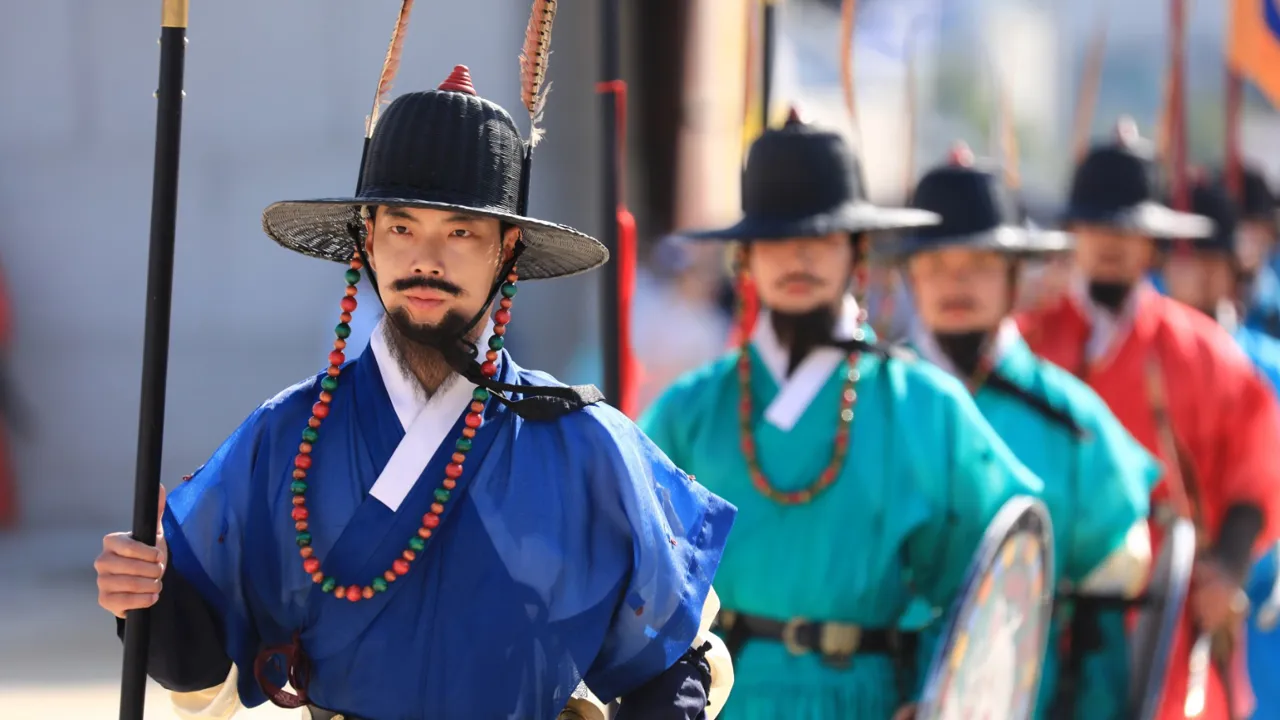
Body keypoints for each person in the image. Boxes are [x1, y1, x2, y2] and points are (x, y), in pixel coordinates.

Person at [93, 67, 737, 720]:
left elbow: (679, 658)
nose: (426, 259)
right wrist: (148, 592)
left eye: (460, 232)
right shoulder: (284, 436)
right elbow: (203, 664)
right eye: (401, 228)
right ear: (368, 240)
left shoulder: (585, 444)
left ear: (506, 249)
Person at [639, 112, 1043, 719]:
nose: (798, 257)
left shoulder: (925, 405)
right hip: (719, 698)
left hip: (870, 697)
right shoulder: (690, 409)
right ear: (745, 256)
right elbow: (638, 573)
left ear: (858, 250)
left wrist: (940, 695)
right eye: (777, 240)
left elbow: (999, 577)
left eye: (823, 238)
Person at [877, 146, 1159, 719]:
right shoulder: (870, 403)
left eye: (979, 264)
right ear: (910, 276)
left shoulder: (1074, 420)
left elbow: (1102, 625)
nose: (956, 282)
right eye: (936, 264)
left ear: (1013, 277)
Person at [1018, 125, 1280, 720]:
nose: (1111, 244)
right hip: (1040, 606)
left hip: (1165, 611)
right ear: (1074, 233)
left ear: (1152, 243)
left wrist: (1229, 566)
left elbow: (1258, 463)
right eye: (1097, 227)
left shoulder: (1200, 351)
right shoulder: (1029, 339)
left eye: (1127, 230)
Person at [1160, 174, 1280, 719]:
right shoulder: (1145, 362)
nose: (1197, 274)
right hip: (1162, 598)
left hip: (1257, 594)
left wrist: (1236, 562)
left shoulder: (1265, 366)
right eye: (1185, 259)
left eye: (1211, 259)